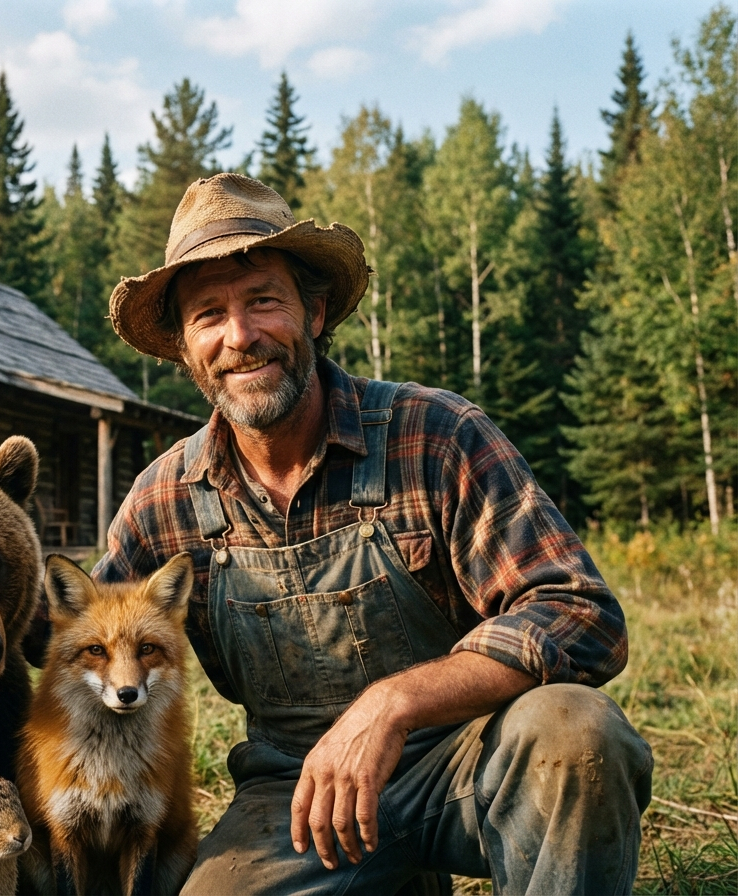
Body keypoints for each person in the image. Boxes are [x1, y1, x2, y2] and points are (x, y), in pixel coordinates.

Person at [93, 173, 652, 894]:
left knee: (578, 736)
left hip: (471, 760)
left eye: (264, 300)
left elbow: (580, 614)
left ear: (315, 312)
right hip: (297, 797)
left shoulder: (436, 435)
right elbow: (73, 639)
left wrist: (391, 706)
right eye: (209, 315)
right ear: (184, 347)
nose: (241, 337)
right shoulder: (164, 501)